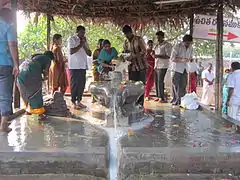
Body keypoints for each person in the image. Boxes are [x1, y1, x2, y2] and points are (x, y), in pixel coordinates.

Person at [17, 51, 54, 119]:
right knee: (36, 91)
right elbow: (46, 71)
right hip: (32, 71)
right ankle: (40, 113)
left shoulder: (36, 57)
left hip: (21, 69)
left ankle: (27, 111)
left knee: (25, 91)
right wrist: (46, 77)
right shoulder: (48, 59)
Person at [0, 8, 19, 132]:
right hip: (5, 64)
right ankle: (3, 124)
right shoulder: (9, 27)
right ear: (7, 16)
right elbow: (12, 45)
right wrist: (16, 64)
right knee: (5, 94)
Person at [67, 25, 92, 109]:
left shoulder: (84, 41)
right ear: (77, 32)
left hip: (82, 65)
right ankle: (73, 102)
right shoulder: (72, 39)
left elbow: (89, 53)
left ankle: (79, 101)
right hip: (74, 66)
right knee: (74, 84)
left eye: (84, 32)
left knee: (81, 84)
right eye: (81, 32)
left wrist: (84, 45)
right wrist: (80, 45)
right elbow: (71, 51)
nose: (83, 34)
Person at [170, 34, 193, 105]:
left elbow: (190, 57)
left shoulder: (191, 48)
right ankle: (177, 100)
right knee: (176, 85)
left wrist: (191, 60)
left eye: (189, 43)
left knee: (183, 85)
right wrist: (182, 60)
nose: (188, 44)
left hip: (185, 68)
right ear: (183, 42)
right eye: (187, 43)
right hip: (176, 68)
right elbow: (172, 58)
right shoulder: (177, 46)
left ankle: (181, 100)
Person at [154, 31, 172, 103]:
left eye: (159, 37)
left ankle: (162, 97)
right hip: (156, 65)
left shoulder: (167, 45)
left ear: (162, 37)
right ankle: (158, 96)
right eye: (157, 37)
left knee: (160, 81)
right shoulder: (157, 45)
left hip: (163, 65)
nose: (158, 39)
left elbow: (168, 56)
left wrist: (158, 56)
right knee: (156, 81)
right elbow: (155, 55)